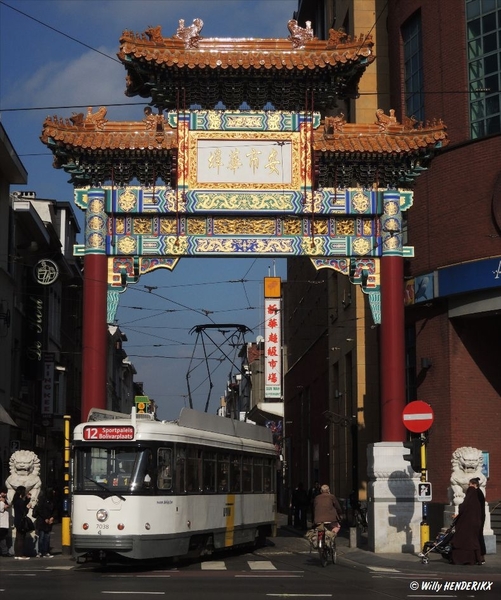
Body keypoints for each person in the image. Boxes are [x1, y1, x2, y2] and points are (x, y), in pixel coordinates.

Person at [450, 477, 486, 565]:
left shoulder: (473, 492)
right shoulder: (479, 493)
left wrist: (459, 514)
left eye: (469, 485)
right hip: (478, 520)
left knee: (468, 538)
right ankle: (479, 557)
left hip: (471, 521)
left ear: (473, 484)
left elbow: (465, 506)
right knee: (476, 538)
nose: (468, 487)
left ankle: (473, 557)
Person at [33, 488, 56, 558]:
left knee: (47, 537)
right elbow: (40, 510)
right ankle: (40, 551)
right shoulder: (42, 500)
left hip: (49, 521)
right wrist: (45, 518)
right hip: (42, 521)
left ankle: (46, 551)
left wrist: (52, 517)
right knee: (42, 536)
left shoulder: (53, 500)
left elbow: (55, 510)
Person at [12, 485, 32, 560]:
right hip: (21, 520)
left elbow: (22, 505)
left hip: (17, 520)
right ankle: (20, 554)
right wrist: (28, 508)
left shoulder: (16, 500)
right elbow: (23, 511)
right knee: (21, 538)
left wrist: (27, 499)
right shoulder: (20, 501)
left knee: (18, 537)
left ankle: (17, 554)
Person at [0, 486, 12, 557]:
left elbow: (9, 504)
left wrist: (5, 502)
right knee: (2, 538)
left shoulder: (5, 499)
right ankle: (4, 551)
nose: (5, 494)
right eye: (3, 493)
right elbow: (1, 509)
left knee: (3, 537)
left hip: (4, 522)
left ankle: (4, 551)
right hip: (1, 522)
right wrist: (2, 503)